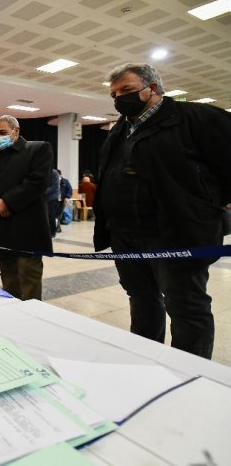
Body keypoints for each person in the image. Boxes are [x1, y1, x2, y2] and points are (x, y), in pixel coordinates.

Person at [94, 62, 231, 359]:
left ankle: (190, 372)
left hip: (176, 234)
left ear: (152, 88)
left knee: (185, 307)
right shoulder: (119, 130)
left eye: (127, 90)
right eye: (114, 93)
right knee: (142, 299)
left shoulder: (195, 118)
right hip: (126, 235)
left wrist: (210, 207)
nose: (119, 98)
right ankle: (147, 358)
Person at [0, 115, 53, 300]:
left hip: (29, 232)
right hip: (2, 233)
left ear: (16, 131)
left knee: (29, 284)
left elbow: (37, 181)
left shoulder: (38, 149)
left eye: (3, 132)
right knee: (8, 284)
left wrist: (7, 202)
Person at [45, 168, 61, 237]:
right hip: (45, 198)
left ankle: (52, 232)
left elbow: (54, 186)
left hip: (52, 199)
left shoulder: (54, 173)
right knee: (46, 216)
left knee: (51, 216)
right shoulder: (44, 172)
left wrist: (43, 192)